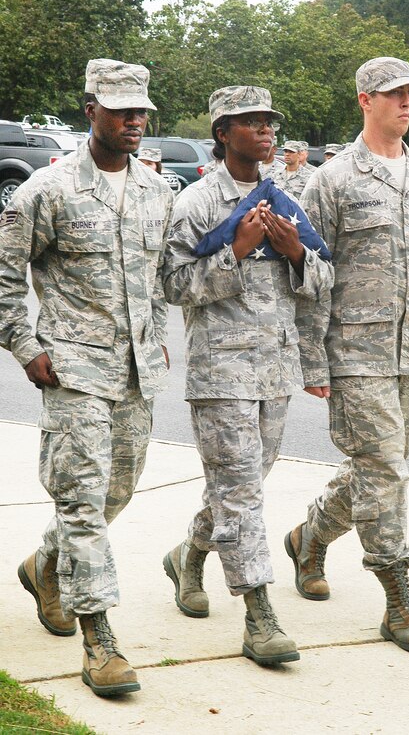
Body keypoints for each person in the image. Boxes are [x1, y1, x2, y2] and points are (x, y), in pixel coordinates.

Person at [0, 58, 173, 698]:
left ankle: (46, 567)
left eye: (142, 109)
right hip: (72, 369)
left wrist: (155, 334)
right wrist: (25, 345)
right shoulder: (47, 190)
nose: (135, 119)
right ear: (89, 109)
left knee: (114, 494)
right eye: (121, 108)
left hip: (135, 375)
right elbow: (4, 272)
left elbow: (162, 279)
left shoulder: (158, 192)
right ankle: (100, 641)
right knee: (81, 502)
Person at [284, 56, 409, 654]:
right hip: (354, 351)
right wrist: (312, 361)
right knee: (386, 469)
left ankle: (310, 536)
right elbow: (309, 274)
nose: (405, 103)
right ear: (365, 100)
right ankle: (397, 599)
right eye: (393, 95)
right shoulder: (332, 179)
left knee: (376, 468)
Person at [161, 85, 334, 666]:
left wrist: (294, 254)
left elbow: (322, 281)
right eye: (251, 122)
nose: (265, 131)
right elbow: (173, 285)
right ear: (222, 133)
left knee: (242, 486)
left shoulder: (285, 200)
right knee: (241, 491)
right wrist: (234, 251)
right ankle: (259, 612)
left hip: (274, 369)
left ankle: (189, 554)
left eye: (269, 122)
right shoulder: (195, 203)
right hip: (220, 370)